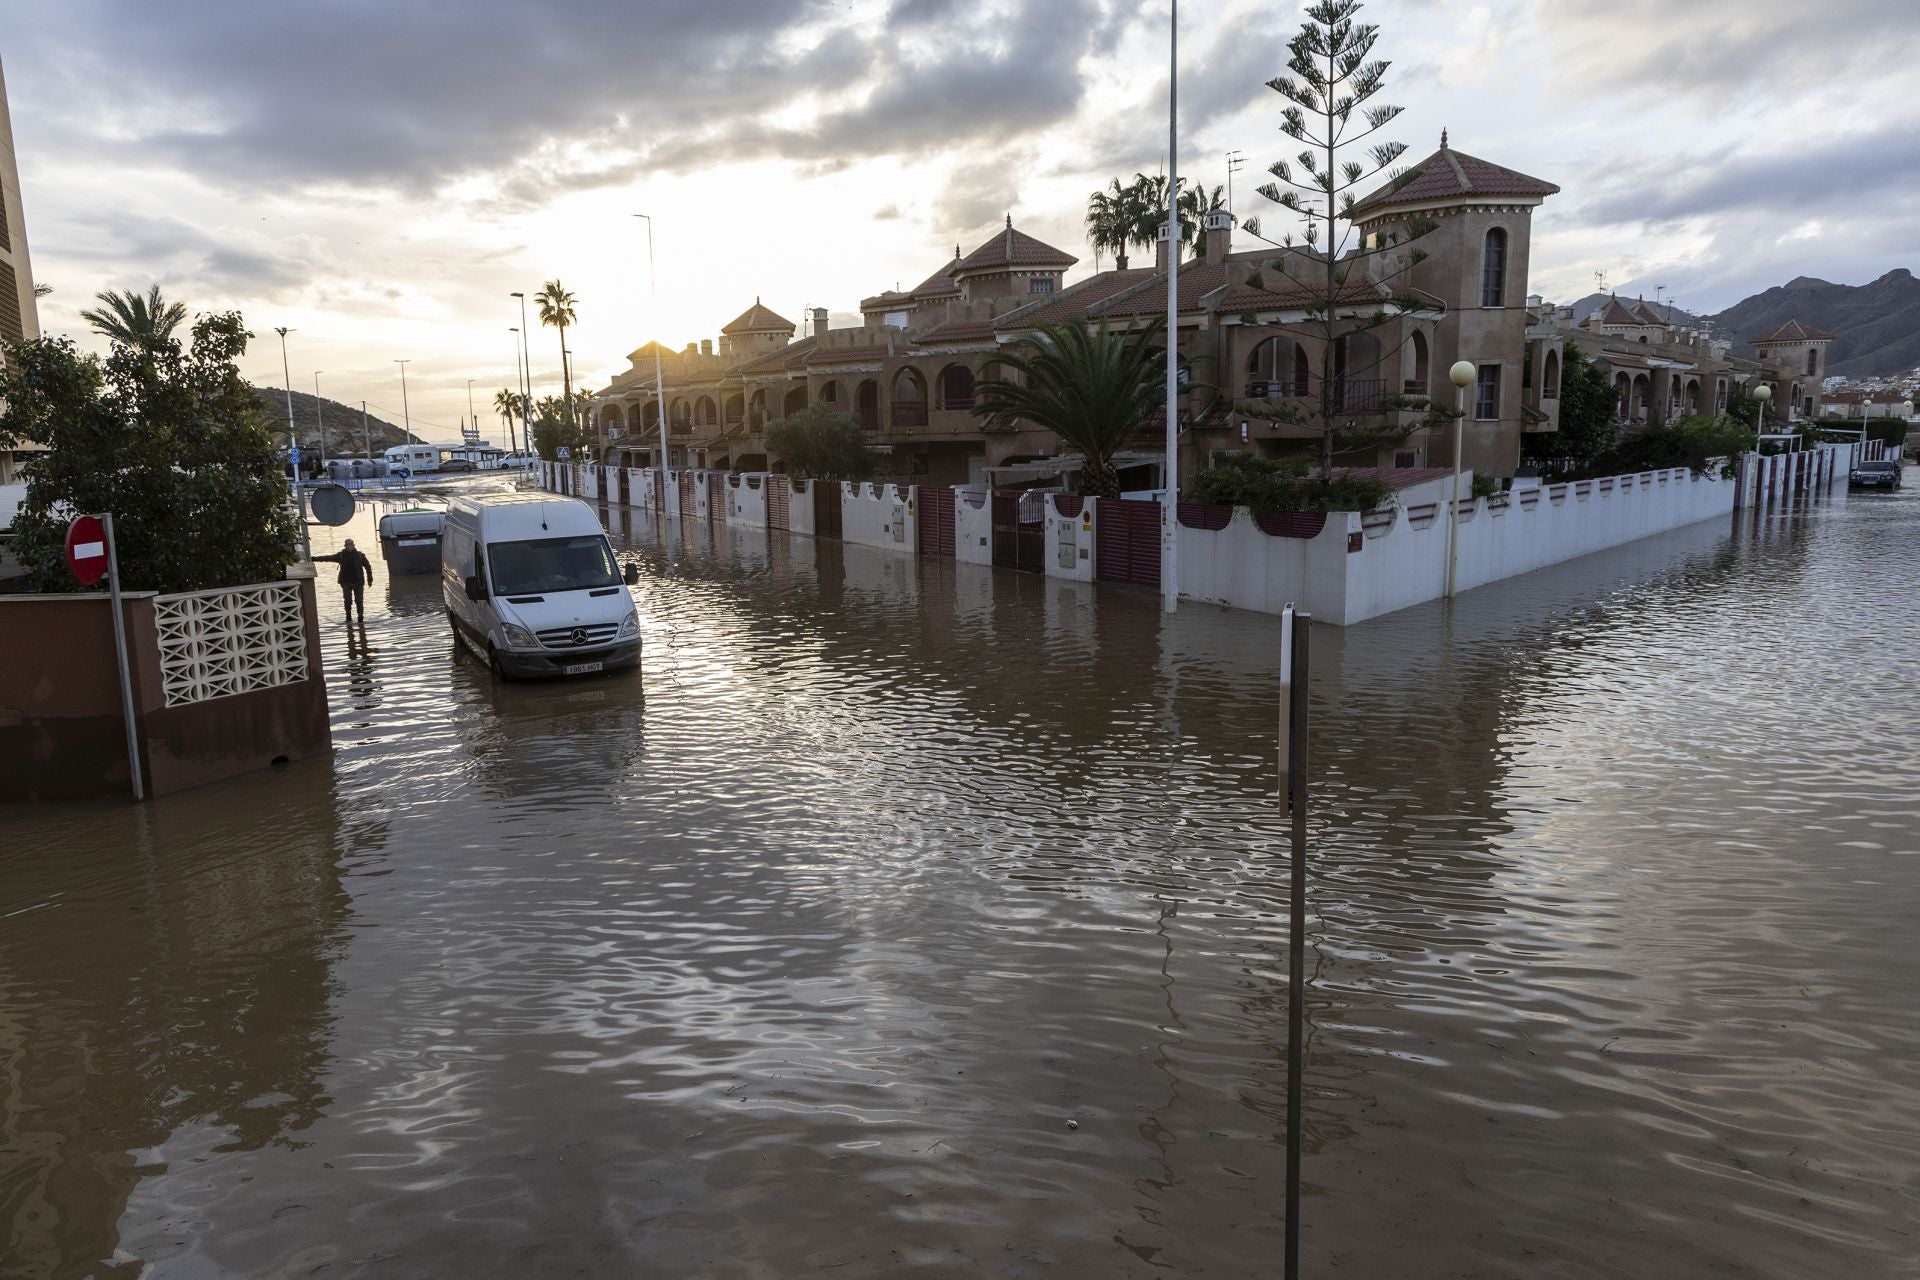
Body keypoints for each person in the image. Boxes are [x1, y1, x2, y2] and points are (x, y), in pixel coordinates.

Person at [314, 538, 375, 624]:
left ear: (354, 546)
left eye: (351, 545)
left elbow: (368, 567)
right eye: (347, 545)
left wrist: (370, 580)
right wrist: (313, 559)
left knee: (359, 601)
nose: (349, 547)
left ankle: (360, 619)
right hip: (345, 582)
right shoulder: (341, 555)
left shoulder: (360, 555)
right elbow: (327, 558)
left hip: (358, 582)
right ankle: (348, 618)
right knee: (347, 600)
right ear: (345, 546)